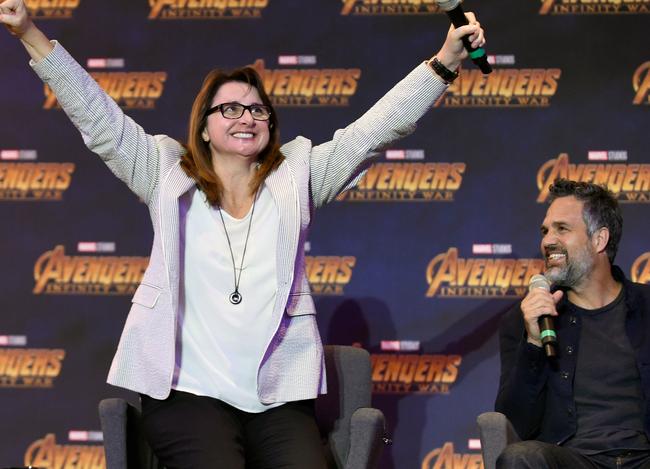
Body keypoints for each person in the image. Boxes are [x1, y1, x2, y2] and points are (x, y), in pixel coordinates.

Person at [0, 0, 486, 466]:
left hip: (274, 398)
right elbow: (96, 116)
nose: (247, 117)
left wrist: (443, 64)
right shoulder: (165, 172)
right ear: (205, 127)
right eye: (230, 109)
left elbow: (374, 131)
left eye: (257, 110)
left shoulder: (299, 178)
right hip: (185, 394)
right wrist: (29, 33)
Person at [495, 179, 650, 469]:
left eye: (561, 229)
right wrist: (533, 344)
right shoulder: (524, 319)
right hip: (575, 460)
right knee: (521, 458)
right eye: (545, 231)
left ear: (599, 240)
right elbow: (515, 423)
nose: (547, 241)